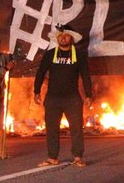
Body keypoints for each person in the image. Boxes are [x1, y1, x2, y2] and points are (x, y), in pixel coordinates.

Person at [34, 25, 93, 168]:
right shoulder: (50, 54)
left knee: (76, 128)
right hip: (53, 98)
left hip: (72, 98)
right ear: (57, 38)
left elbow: (85, 75)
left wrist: (88, 95)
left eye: (66, 36)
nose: (63, 38)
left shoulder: (78, 55)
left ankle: (78, 157)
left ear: (71, 38)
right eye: (60, 36)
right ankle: (52, 157)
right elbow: (41, 73)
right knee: (52, 128)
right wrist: (36, 92)